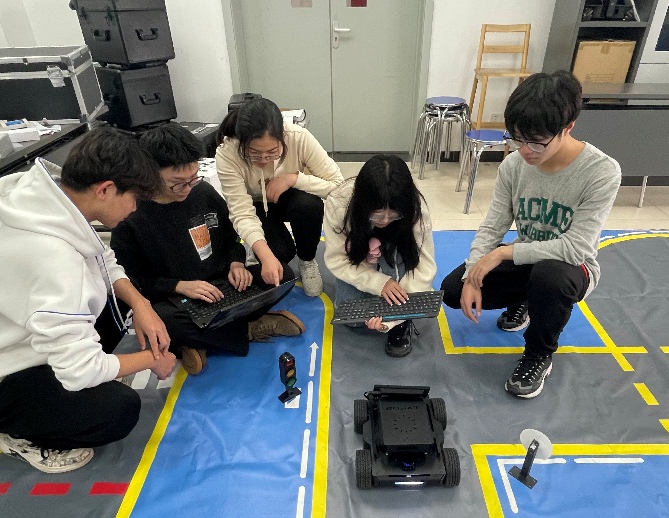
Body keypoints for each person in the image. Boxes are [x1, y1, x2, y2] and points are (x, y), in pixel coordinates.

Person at [0, 126, 177, 473]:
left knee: (120, 298)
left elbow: (102, 259)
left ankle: (55, 386)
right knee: (117, 411)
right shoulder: (56, 263)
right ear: (105, 189)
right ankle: (21, 438)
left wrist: (142, 304)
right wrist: (151, 359)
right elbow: (81, 372)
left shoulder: (48, 203)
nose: (135, 209)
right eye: (134, 198)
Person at [441, 70, 621, 398]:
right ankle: (524, 299)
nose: (525, 150)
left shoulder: (601, 171)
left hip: (569, 268)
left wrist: (502, 253)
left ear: (568, 127)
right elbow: (492, 226)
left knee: (549, 277)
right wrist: (471, 275)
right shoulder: (513, 166)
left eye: (537, 141)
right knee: (453, 290)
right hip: (527, 258)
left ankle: (539, 354)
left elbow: (576, 248)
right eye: (517, 139)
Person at [111, 123, 305, 376]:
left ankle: (198, 342)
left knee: (282, 274)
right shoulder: (130, 214)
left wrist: (236, 263)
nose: (188, 188)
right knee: (160, 320)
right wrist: (179, 286)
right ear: (150, 174)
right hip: (178, 299)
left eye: (193, 178)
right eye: (177, 183)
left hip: (223, 284)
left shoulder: (202, 192)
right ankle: (249, 329)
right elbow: (132, 280)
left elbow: (231, 237)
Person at [215, 98, 344, 297]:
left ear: (283, 138)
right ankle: (254, 248)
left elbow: (339, 187)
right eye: (253, 153)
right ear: (242, 142)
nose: (263, 160)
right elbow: (241, 212)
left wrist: (293, 179)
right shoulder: (228, 153)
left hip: (289, 199)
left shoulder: (298, 137)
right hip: (256, 207)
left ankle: (307, 260)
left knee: (309, 205)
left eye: (272, 152)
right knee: (281, 254)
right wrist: (266, 256)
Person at [324, 155, 436, 357]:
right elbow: (337, 259)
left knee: (392, 309)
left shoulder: (415, 208)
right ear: (362, 203)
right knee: (354, 320)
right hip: (359, 256)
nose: (384, 220)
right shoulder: (338, 204)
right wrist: (378, 283)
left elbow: (425, 267)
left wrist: (394, 317)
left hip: (395, 252)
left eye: (394, 214)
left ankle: (403, 321)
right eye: (376, 214)